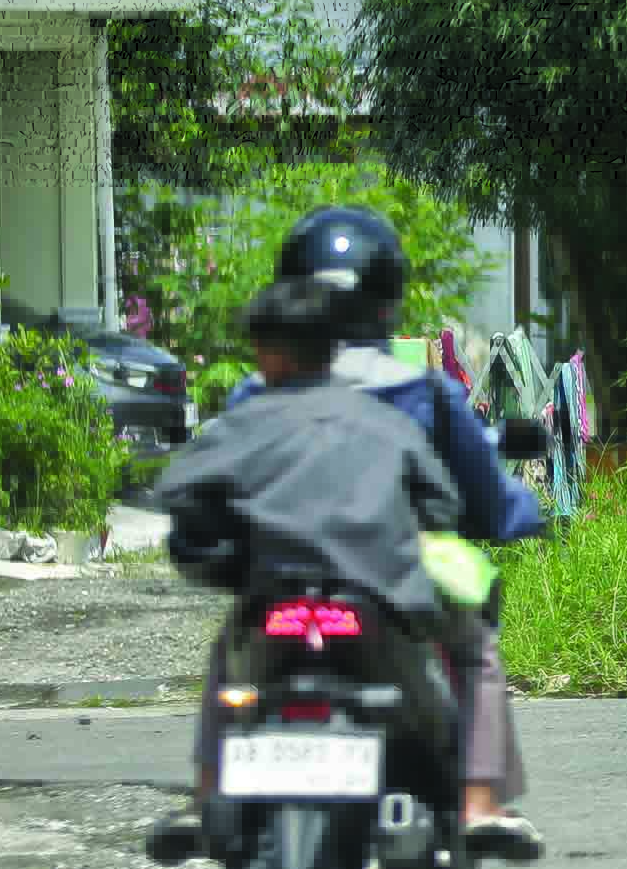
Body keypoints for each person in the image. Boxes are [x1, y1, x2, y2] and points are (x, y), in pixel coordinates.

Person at [152, 206, 551, 862]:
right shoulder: (415, 395)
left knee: (230, 646)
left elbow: (194, 490)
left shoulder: (257, 396)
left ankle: (203, 796)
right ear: (387, 301)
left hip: (276, 584)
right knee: (475, 640)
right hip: (386, 583)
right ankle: (479, 802)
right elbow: (465, 498)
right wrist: (520, 515)